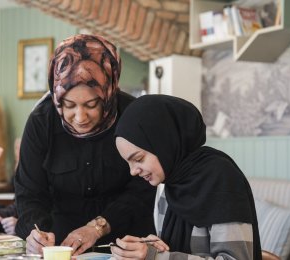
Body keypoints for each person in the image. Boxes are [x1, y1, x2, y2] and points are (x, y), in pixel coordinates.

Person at [14, 34, 156, 256]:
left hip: (128, 247)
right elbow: (29, 192)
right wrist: (35, 232)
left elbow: (144, 189)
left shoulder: (133, 116)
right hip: (63, 247)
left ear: (108, 93)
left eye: (91, 104)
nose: (80, 117)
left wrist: (97, 227)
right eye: (68, 105)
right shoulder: (42, 121)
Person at [112, 95, 262, 260]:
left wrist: (157, 257)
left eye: (138, 159)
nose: (133, 171)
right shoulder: (171, 183)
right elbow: (176, 252)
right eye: (128, 163)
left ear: (163, 142)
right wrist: (154, 248)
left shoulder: (221, 178)